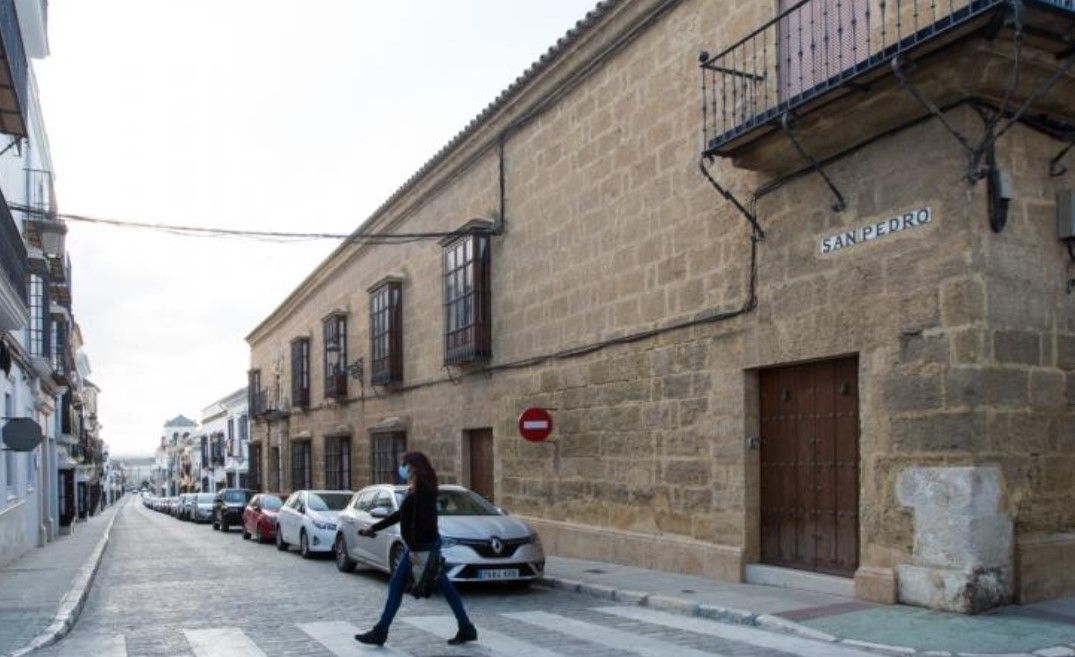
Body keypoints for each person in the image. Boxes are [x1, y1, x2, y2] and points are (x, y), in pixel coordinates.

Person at [354, 452, 478, 647]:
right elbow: (400, 515)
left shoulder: (425, 490)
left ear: (415, 466)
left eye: (405, 465)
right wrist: (373, 528)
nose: (403, 469)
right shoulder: (416, 488)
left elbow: (426, 522)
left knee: (397, 585)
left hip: (422, 547)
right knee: (444, 586)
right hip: (422, 546)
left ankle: (380, 631)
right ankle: (466, 627)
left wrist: (413, 549)